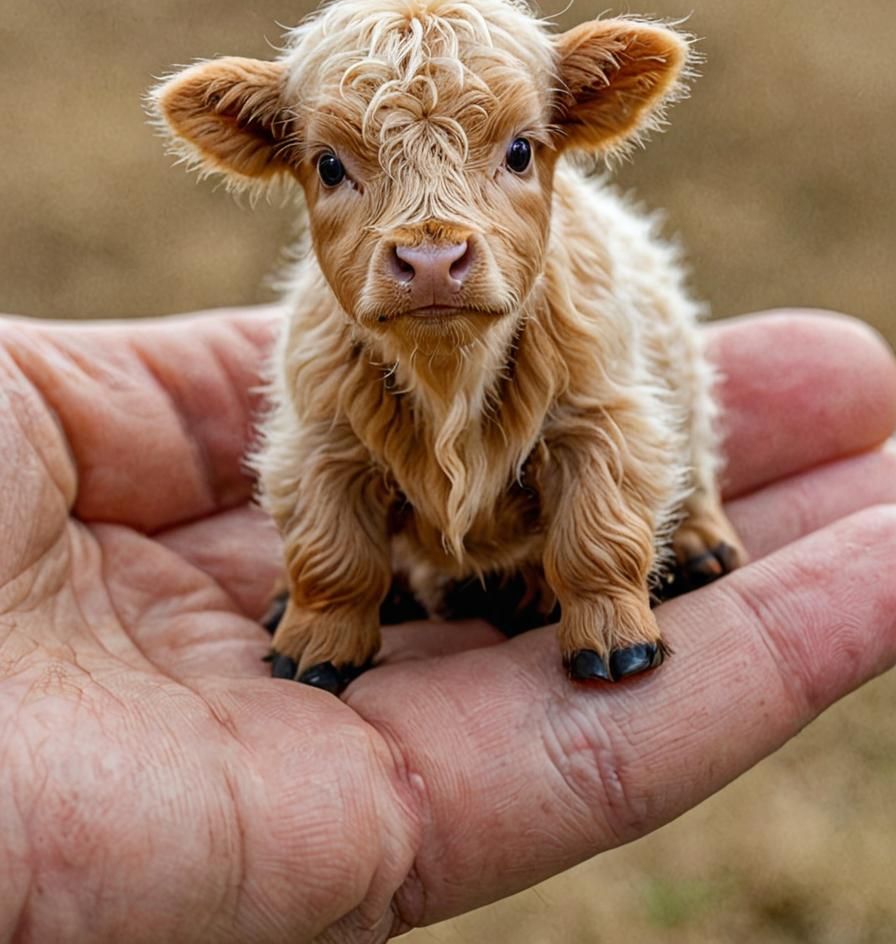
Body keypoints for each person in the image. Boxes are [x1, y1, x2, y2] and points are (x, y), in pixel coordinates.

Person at [0, 307, 894, 943]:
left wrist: (601, 578)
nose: (430, 234)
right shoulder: (326, 341)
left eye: (514, 152)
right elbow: (321, 459)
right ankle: (343, 605)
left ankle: (660, 545)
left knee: (636, 389)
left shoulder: (584, 309)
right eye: (337, 171)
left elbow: (609, 435)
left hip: (582, 456)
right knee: (332, 448)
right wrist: (332, 591)